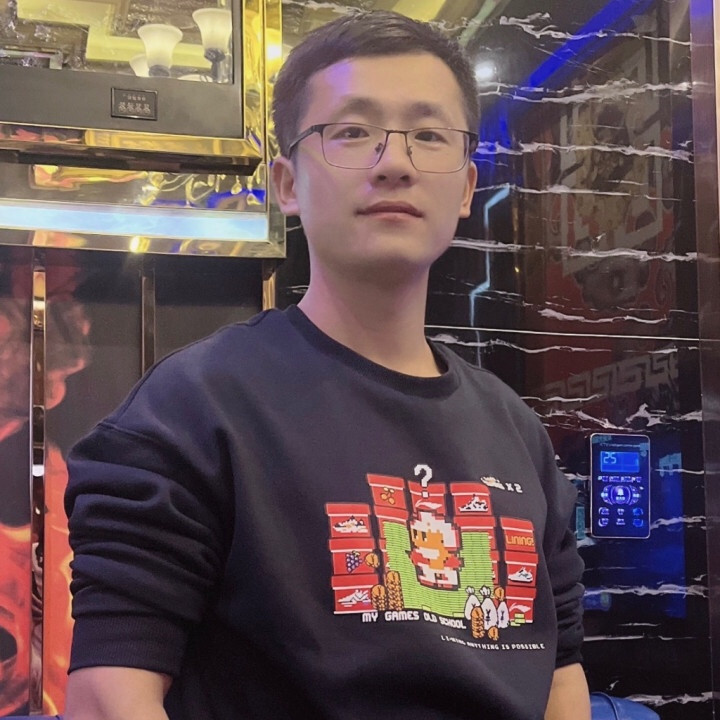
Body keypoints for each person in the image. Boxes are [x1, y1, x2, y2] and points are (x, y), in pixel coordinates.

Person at [63, 10, 590, 720]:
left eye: (428, 135)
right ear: (286, 183)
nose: (394, 162)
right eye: (351, 132)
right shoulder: (193, 410)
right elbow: (108, 697)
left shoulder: (517, 433)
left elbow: (560, 678)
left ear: (467, 188)